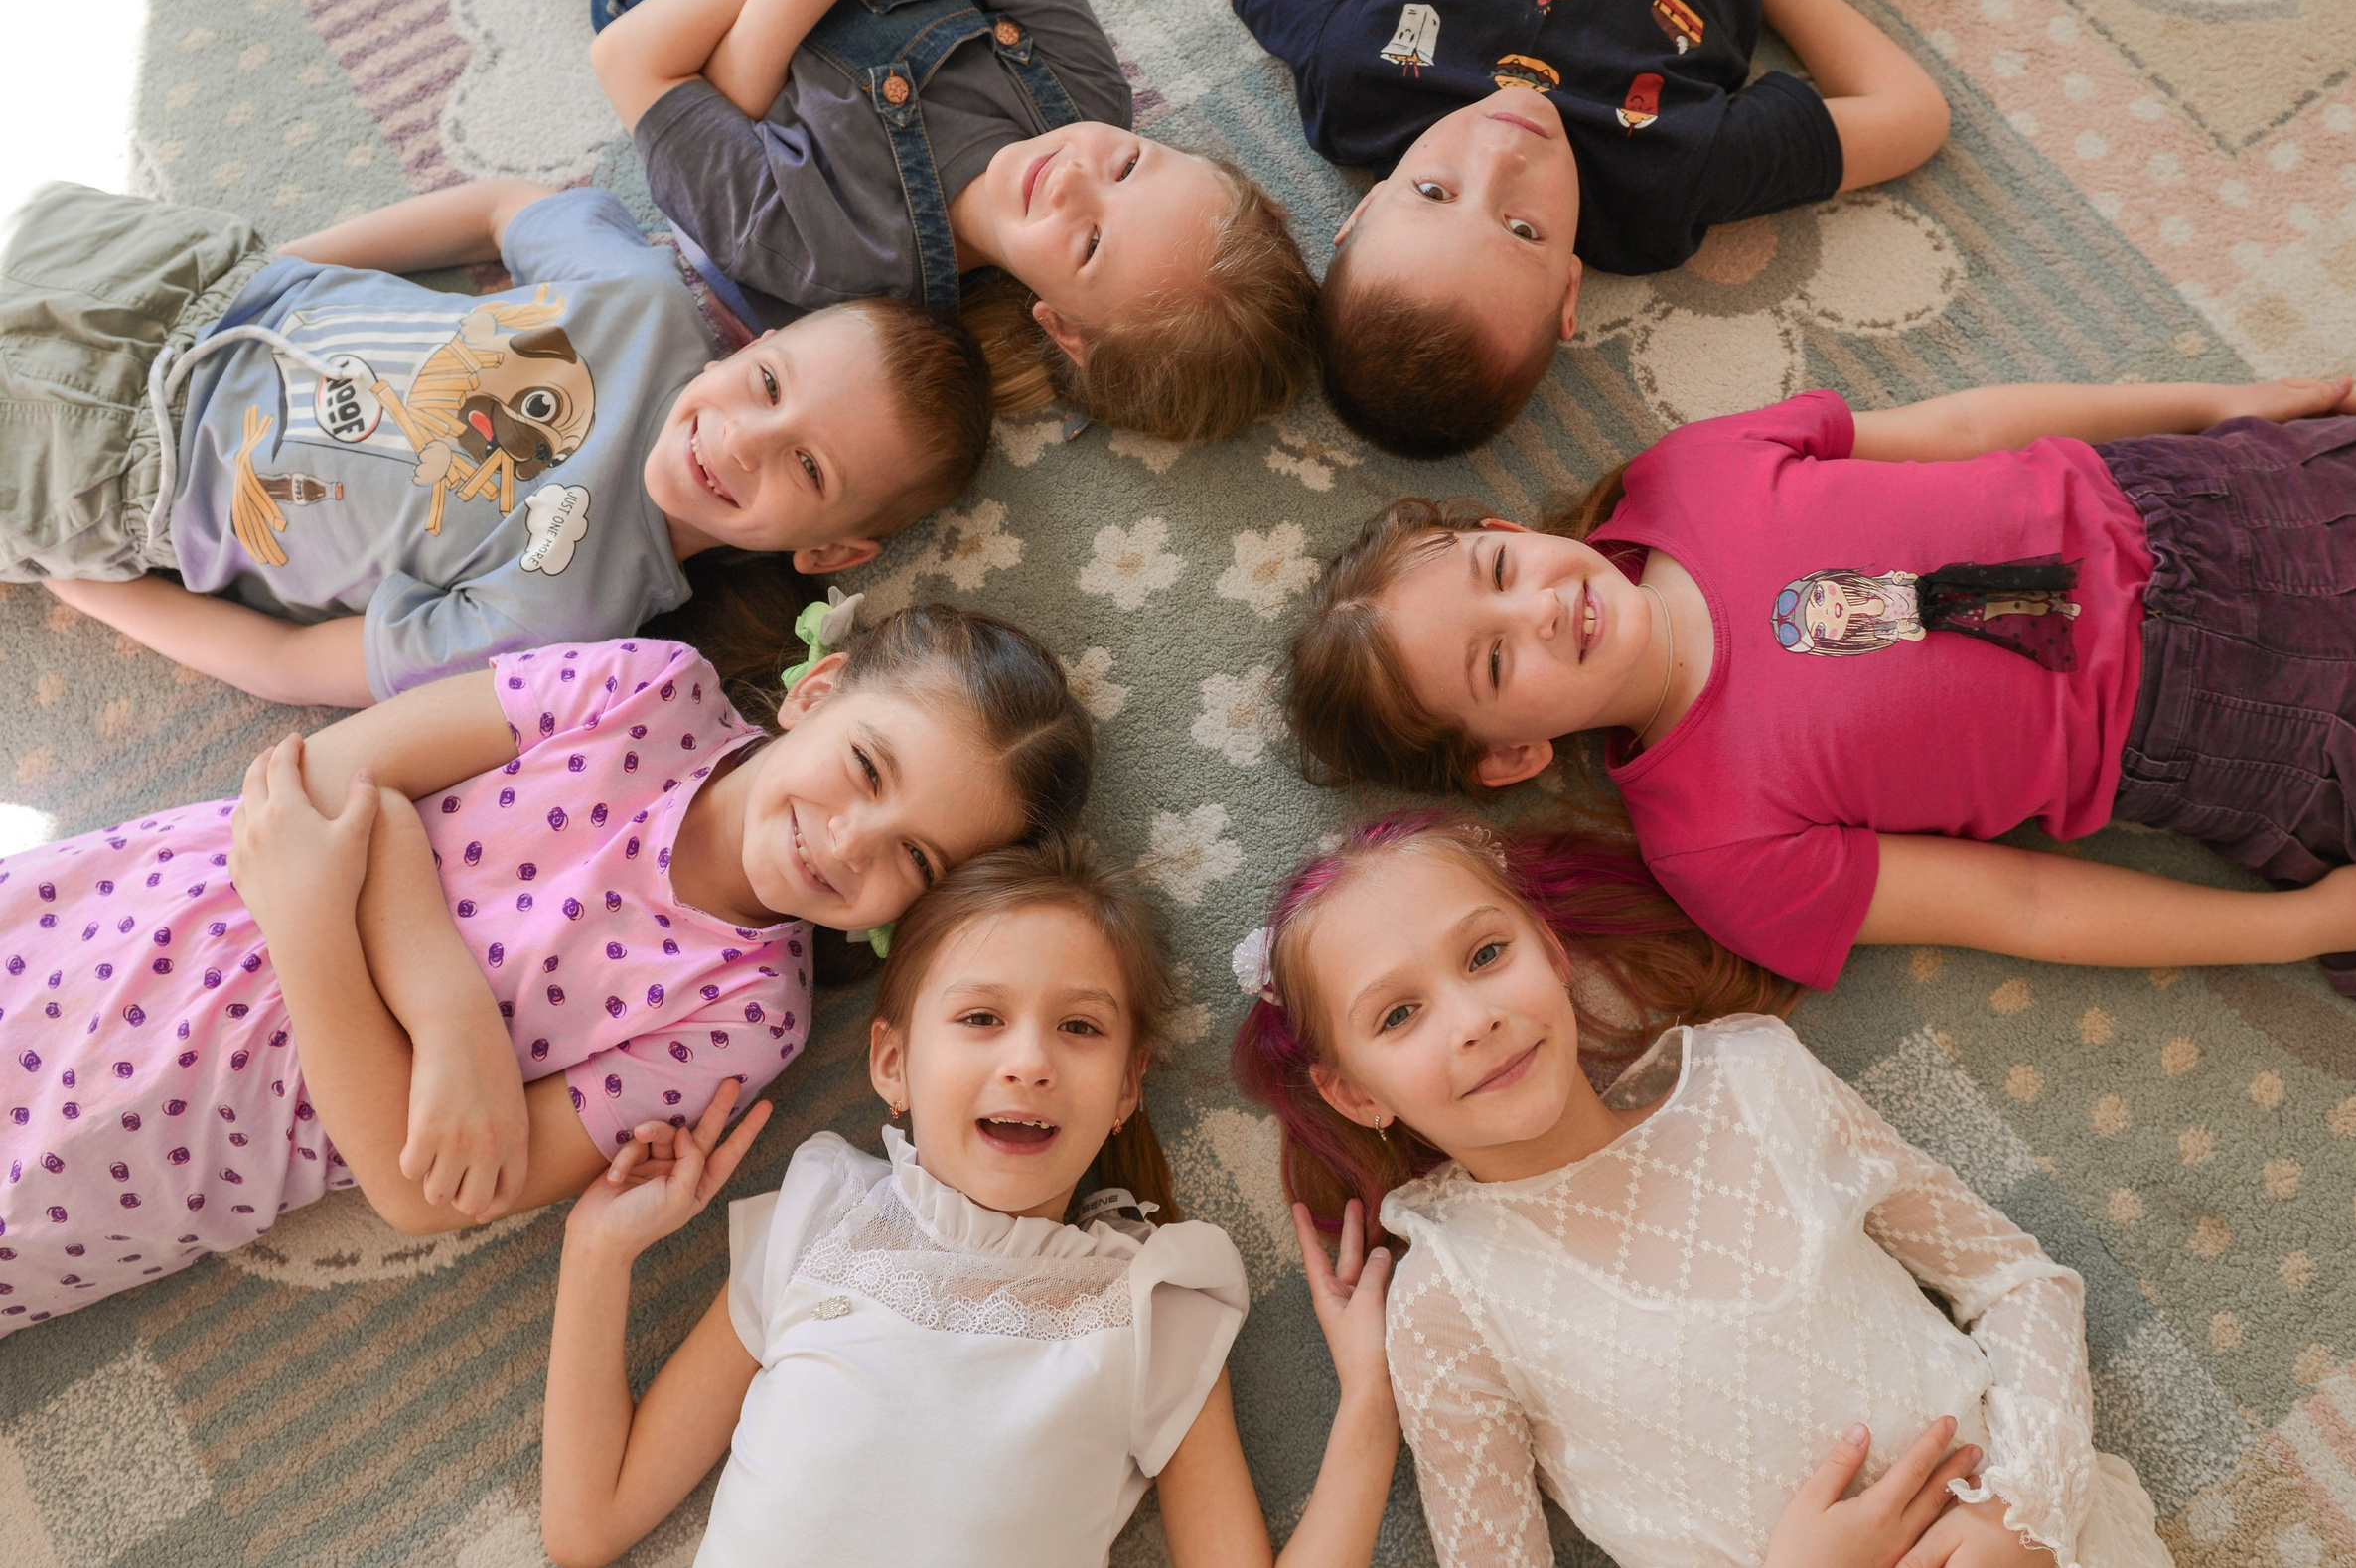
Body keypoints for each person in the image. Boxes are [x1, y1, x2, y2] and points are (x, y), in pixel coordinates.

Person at [0, 600, 1094, 1335]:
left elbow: (420, 1192)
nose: (851, 841)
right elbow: (317, 779)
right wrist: (451, 1019)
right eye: (866, 767)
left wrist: (324, 897)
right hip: (128, 919)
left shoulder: (749, 1017)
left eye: (914, 858)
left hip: (167, 1144)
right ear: (818, 692)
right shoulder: (648, 692)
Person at [1281, 377, 2356, 999]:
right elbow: (2027, 904)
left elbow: (1964, 426)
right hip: (2254, 720)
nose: (1540, 610)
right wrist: (2306, 926)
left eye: (1499, 571)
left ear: (1506, 529)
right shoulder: (1717, 849)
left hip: (2243, 502)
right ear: (1508, 757)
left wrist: (2211, 402)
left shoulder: (1688, 473)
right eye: (1496, 662)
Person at [1233, 811, 2174, 1568]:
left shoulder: (1756, 1081)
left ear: (1552, 955)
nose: (1474, 1019)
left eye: (1485, 956)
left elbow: (2016, 1280)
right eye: (1400, 1014)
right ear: (1356, 1095)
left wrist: (2026, 1507)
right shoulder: (1449, 1302)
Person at [537, 836, 1399, 1568]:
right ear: (892, 1064)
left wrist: (1371, 1398)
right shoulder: (818, 1221)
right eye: (982, 1017)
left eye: (1079, 1027)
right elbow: (589, 1526)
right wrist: (596, 1252)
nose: (1030, 1063)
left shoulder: (1149, 1309)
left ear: (1127, 1088)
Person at [452, 0, 1320, 443]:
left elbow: (634, 58)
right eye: (1130, 166)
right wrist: (760, 55)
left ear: (1063, 328)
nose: (1072, 179)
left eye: (1090, 244)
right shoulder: (1087, 95)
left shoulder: (833, 264)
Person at [1205, 0, 1949, 459]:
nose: (1502, 153)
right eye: (1522, 229)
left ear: (1363, 209)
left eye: (1434, 191)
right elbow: (1910, 115)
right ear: (1569, 289)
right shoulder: (1663, 177)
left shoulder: (1359, 80)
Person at [7, 177, 988, 706]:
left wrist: (82, 581)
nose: (742, 442)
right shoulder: (645, 302)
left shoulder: (565, 620)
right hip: (189, 286)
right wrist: (278, 271)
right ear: (758, 345)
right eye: (768, 385)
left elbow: (292, 666)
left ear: (832, 552)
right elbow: (503, 206)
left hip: (115, 475)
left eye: (807, 467)